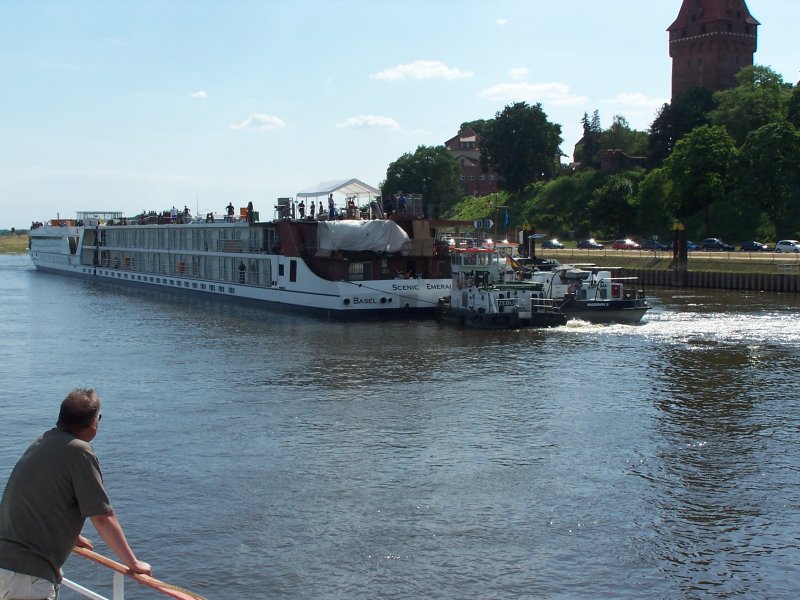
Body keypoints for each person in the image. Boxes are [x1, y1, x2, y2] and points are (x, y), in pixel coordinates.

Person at [0, 389, 151, 600]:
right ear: (94, 424)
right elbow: (102, 517)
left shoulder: (42, 442)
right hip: (27, 575)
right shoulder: (79, 451)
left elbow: (32, 499)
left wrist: (70, 535)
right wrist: (132, 563)